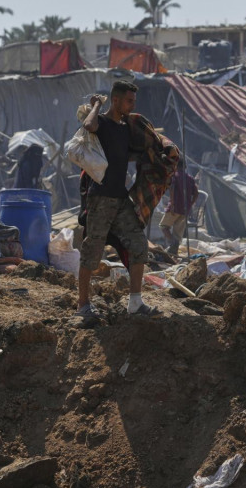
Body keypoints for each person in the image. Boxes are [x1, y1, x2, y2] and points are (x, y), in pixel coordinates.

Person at [76, 80, 178, 322]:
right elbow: (88, 124)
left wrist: (164, 152)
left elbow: (146, 146)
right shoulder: (101, 123)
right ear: (116, 100)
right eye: (129, 101)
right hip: (100, 197)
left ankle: (135, 302)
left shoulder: (125, 128)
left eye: (134, 100)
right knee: (92, 250)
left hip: (120, 198)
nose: (132, 105)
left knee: (139, 246)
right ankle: (83, 306)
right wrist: (98, 104)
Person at [159, 164, 198, 255]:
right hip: (185, 210)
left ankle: (173, 244)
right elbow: (196, 193)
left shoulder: (174, 176)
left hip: (175, 207)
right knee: (177, 233)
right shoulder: (190, 179)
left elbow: (172, 189)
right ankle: (173, 251)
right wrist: (190, 204)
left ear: (176, 166)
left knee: (163, 226)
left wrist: (172, 205)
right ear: (185, 167)